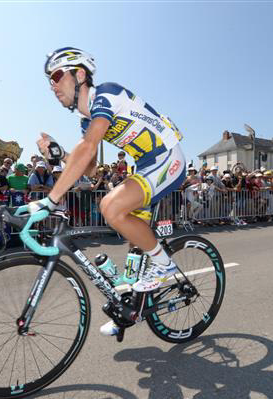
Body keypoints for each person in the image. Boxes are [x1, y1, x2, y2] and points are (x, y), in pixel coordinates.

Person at [36, 47, 186, 336]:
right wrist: (59, 154)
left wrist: (51, 199)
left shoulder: (106, 94)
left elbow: (89, 147)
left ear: (79, 74)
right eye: (49, 81)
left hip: (168, 157)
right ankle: (129, 311)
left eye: (56, 76)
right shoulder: (86, 120)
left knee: (111, 207)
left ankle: (164, 265)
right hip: (145, 166)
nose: (52, 86)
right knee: (133, 246)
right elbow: (90, 168)